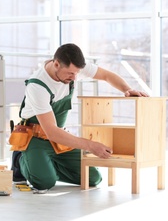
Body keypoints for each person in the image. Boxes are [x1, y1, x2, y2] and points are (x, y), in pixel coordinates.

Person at [11, 43, 148, 192]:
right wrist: (90, 145)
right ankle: (20, 159)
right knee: (44, 182)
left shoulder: (74, 69)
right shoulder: (38, 85)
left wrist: (127, 90)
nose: (75, 77)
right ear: (56, 64)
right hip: (35, 139)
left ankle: (44, 165)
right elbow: (51, 131)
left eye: (77, 73)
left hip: (59, 138)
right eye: (71, 73)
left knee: (93, 178)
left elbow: (107, 75)